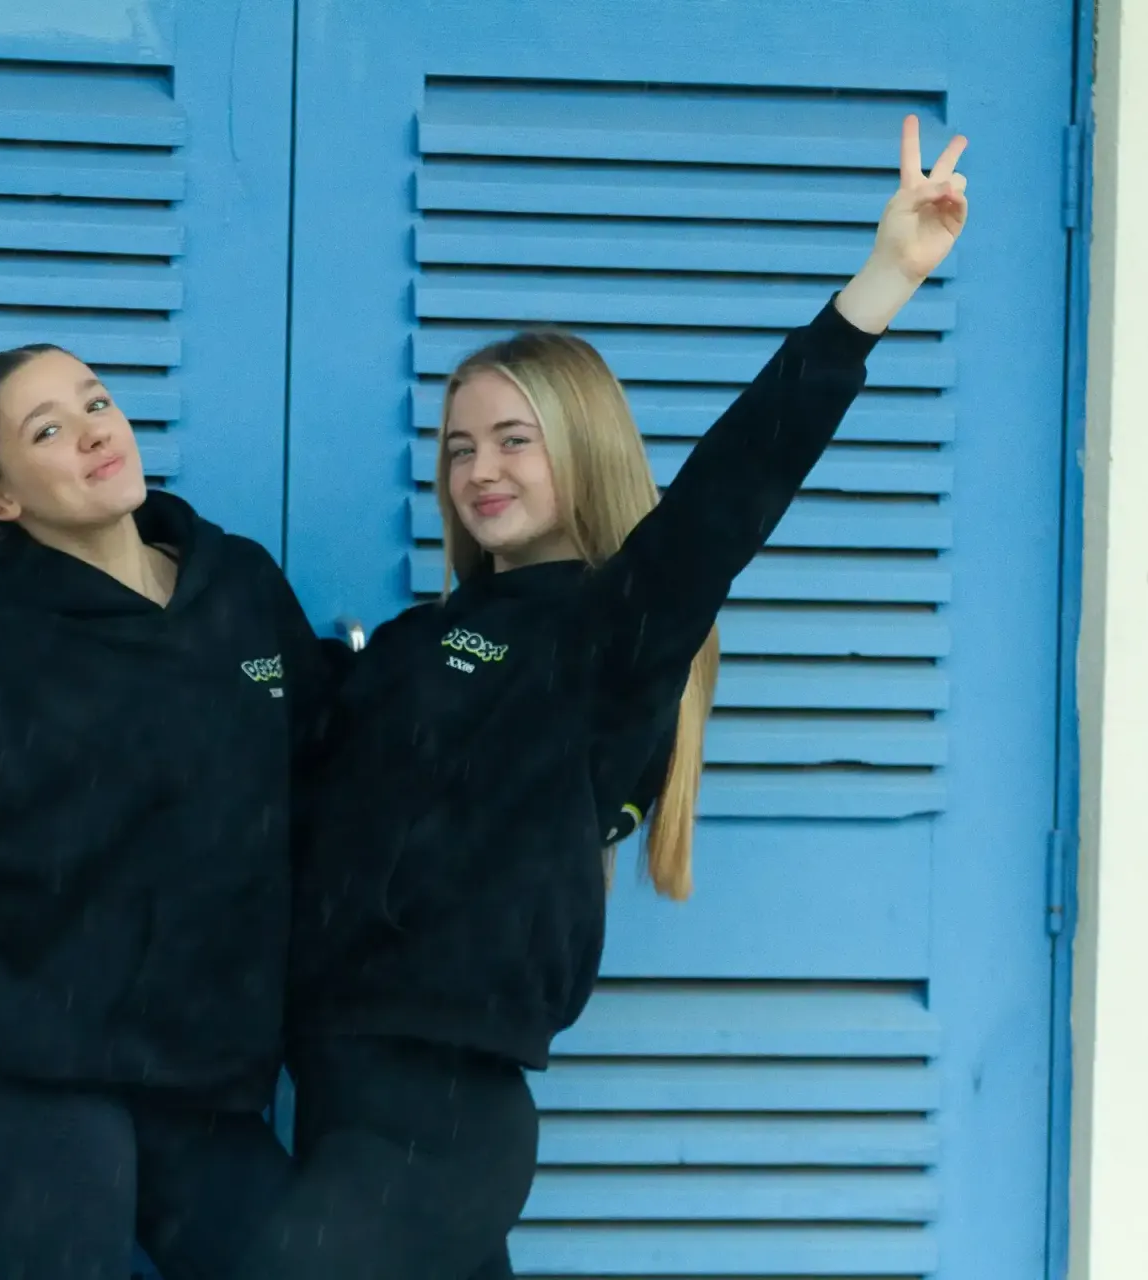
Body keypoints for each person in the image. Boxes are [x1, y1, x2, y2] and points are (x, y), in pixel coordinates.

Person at [249, 114, 969, 1280]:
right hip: (328, 1078)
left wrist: (877, 286)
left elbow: (728, 497)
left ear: (579, 445)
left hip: (442, 1108)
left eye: (515, 440)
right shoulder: (418, 641)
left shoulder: (603, 636)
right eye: (459, 446)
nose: (480, 469)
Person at [0, 344, 337, 1279]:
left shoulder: (237, 582)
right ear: (0, 500)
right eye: (47, 430)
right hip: (47, 1089)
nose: (91, 431)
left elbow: (327, 752)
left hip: (212, 1088)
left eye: (96, 403)